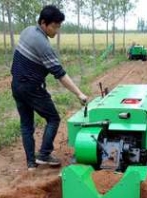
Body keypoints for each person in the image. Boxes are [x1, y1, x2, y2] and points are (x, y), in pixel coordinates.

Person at [11, 5, 88, 171]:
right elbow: (60, 74)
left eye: (59, 26)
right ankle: (44, 154)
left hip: (16, 85)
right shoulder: (43, 45)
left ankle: (31, 163)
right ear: (44, 23)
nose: (57, 30)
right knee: (53, 119)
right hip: (31, 88)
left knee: (26, 125)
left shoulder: (27, 31)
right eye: (55, 26)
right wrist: (79, 93)